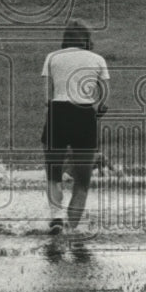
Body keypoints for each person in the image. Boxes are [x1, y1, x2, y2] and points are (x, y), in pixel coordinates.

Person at [41, 18, 109, 235]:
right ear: (87, 39)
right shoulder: (98, 59)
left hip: (57, 113)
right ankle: (71, 230)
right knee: (82, 182)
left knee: (53, 174)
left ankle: (56, 217)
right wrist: (97, 111)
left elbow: (46, 96)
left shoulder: (52, 57)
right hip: (85, 116)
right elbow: (105, 97)